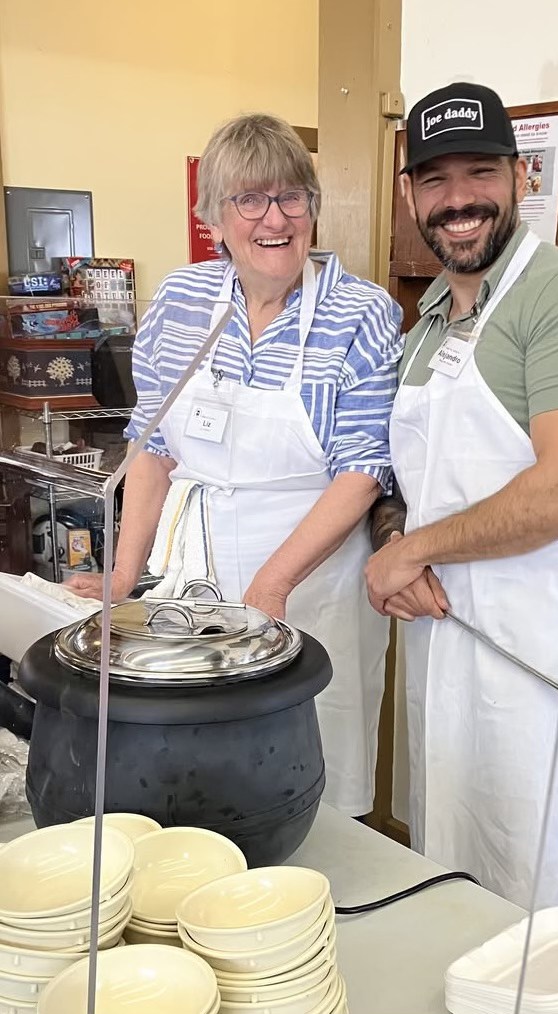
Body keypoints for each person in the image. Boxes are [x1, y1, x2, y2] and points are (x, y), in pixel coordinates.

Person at [68, 112, 404, 818]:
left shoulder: (362, 312)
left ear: (313, 207)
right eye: (249, 200)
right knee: (192, 774)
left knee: (308, 775)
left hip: (312, 585)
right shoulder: (181, 300)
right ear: (213, 219)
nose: (274, 219)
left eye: (291, 197)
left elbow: (363, 470)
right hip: (194, 577)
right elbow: (154, 447)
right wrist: (124, 576)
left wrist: (272, 587)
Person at [365, 82, 558, 908]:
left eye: (479, 173)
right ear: (409, 194)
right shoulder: (422, 325)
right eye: (435, 179)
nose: (458, 200)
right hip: (444, 638)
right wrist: (392, 542)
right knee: (446, 862)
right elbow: (400, 485)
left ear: (520, 177)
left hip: (538, 650)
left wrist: (411, 551)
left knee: (536, 884)